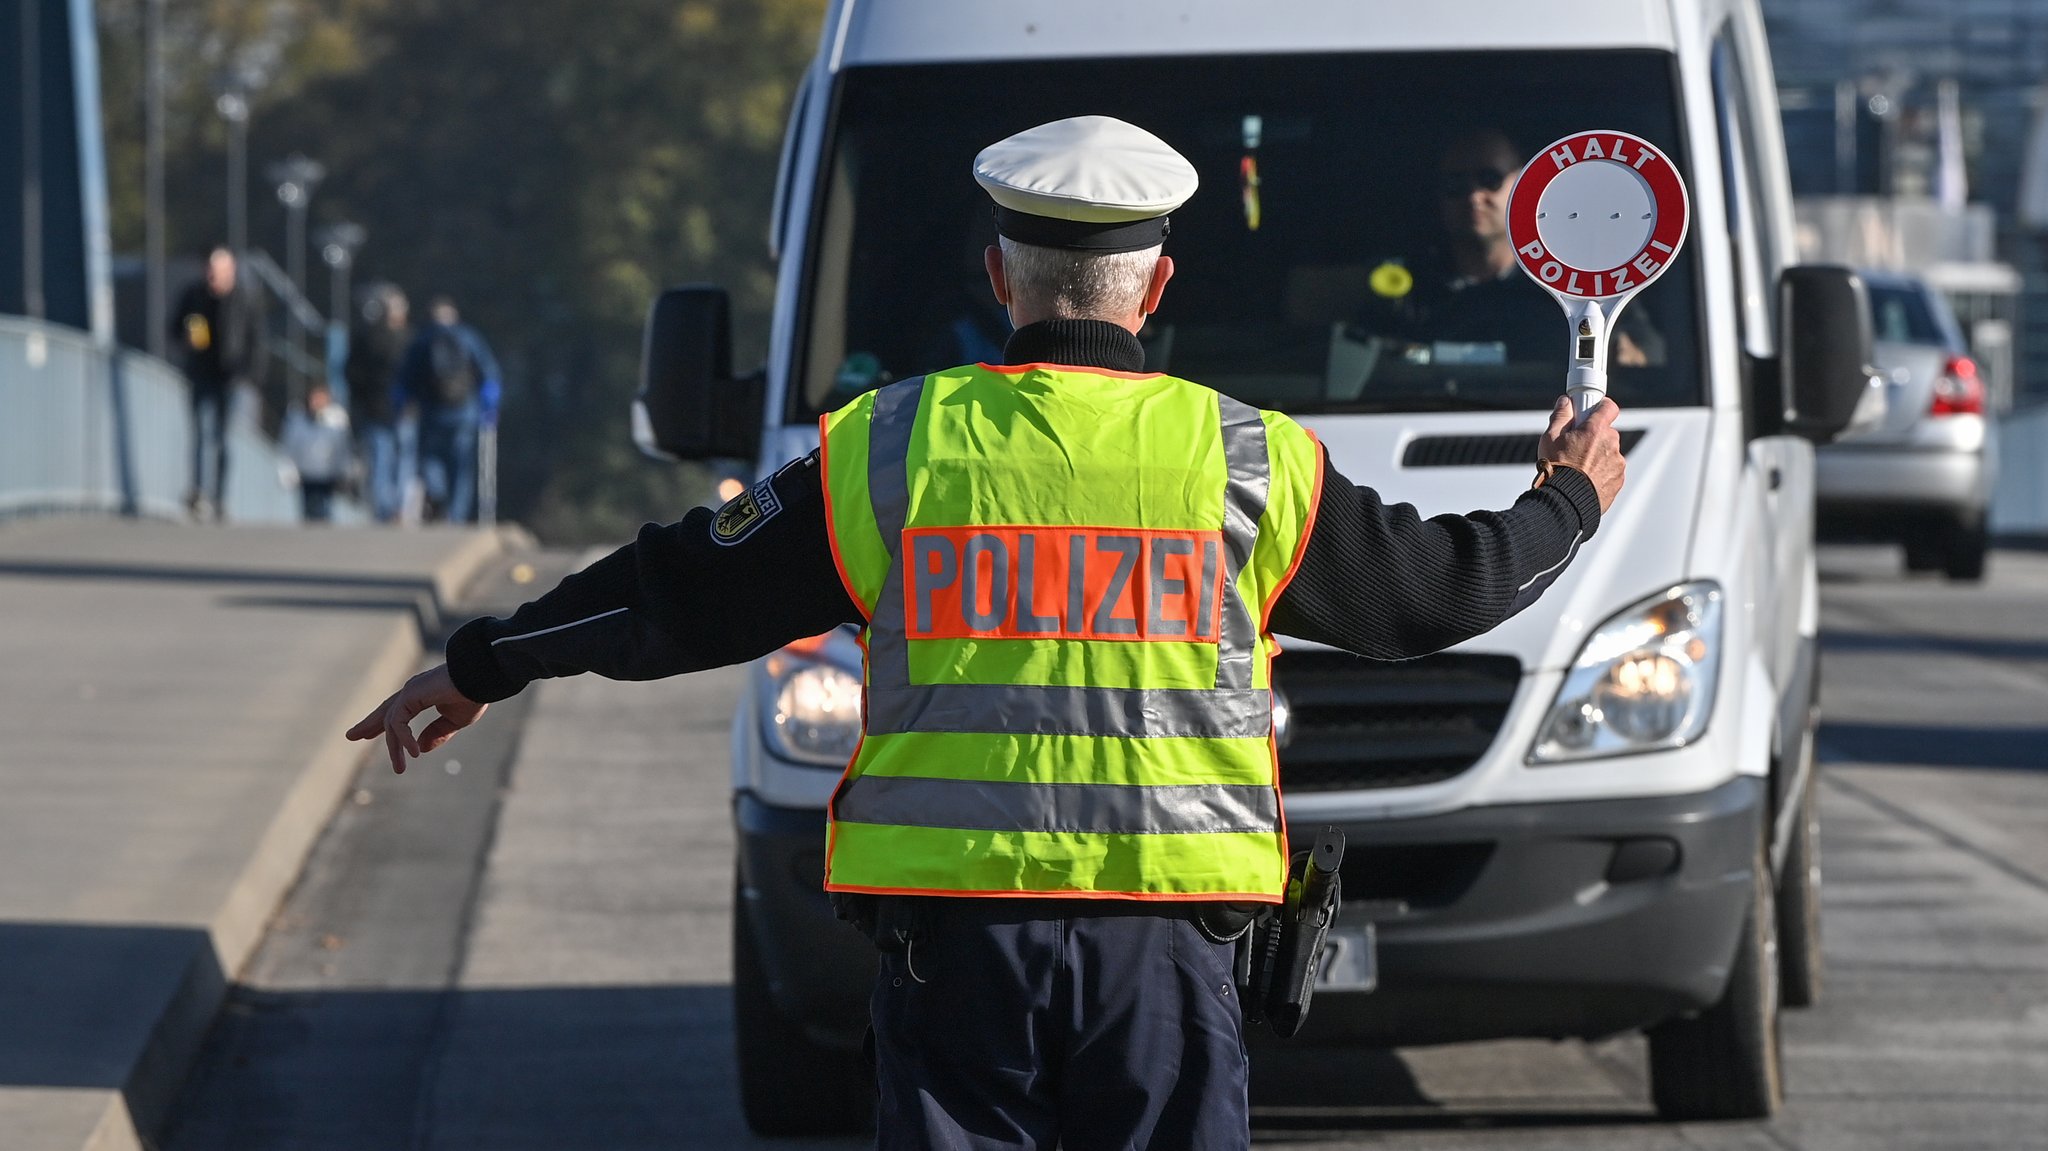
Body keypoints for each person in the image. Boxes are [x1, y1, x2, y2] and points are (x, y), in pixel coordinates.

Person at [349, 116, 1626, 1148]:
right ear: (1158, 285)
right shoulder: (1245, 458)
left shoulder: (888, 448)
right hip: (1164, 957)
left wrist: (483, 662)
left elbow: (675, 589)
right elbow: (1436, 594)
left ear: (999, 277)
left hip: (959, 956)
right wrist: (1566, 497)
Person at [1361, 128, 1660, 366]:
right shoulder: (1405, 288)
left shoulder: (1575, 284)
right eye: (1455, 184)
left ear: (1523, 184)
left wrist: (1631, 357)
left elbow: (1648, 353)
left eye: (1489, 179)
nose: (1474, 196)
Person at [168, 245, 266, 520]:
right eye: (210, 271)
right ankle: (198, 493)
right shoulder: (194, 295)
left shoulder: (244, 299)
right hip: (200, 373)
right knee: (199, 434)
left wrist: (252, 376)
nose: (213, 277)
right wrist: (185, 338)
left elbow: (256, 340)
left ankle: (220, 498)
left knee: (222, 439)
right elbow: (174, 327)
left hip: (230, 378)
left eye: (219, 271)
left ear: (231, 271)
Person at [395, 295, 500, 522]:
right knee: (461, 465)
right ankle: (457, 515)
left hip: (431, 411)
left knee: (430, 459)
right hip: (464, 411)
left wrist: (402, 404)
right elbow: (488, 373)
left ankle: (438, 495)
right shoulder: (468, 337)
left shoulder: (422, 341)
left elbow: (405, 379)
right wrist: (489, 405)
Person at [345, 284, 413, 523]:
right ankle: (398, 508)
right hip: (402, 411)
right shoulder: (408, 341)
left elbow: (351, 374)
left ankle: (384, 510)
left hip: (373, 409)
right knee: (401, 462)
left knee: (379, 462)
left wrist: (360, 401)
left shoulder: (365, 337)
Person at [281, 382, 353, 522]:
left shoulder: (336, 421)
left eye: (322, 398)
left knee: (325, 509)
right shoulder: (299, 420)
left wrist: (345, 470)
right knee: (308, 509)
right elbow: (291, 444)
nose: (318, 402)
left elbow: (343, 447)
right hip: (306, 473)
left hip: (328, 474)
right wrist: (288, 467)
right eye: (315, 398)